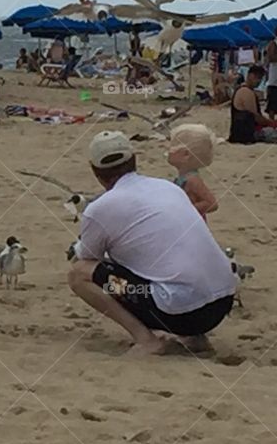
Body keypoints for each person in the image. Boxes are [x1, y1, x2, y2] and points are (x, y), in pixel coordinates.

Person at [68, 132, 237, 355]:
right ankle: (195, 338)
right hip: (223, 301)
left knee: (79, 274)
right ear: (134, 160)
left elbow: (88, 257)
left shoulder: (100, 208)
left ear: (95, 171)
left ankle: (146, 340)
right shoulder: (167, 187)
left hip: (181, 312)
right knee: (159, 259)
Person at [168, 124, 219, 221]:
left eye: (173, 147)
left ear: (186, 154)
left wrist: (188, 209)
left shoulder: (192, 180)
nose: (169, 151)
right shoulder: (182, 178)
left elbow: (212, 203)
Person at [229, 66, 277, 144]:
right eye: (256, 77)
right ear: (249, 75)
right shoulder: (246, 92)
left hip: (241, 133)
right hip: (246, 134)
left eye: (260, 78)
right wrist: (273, 123)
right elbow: (256, 117)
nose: (258, 81)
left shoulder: (244, 90)